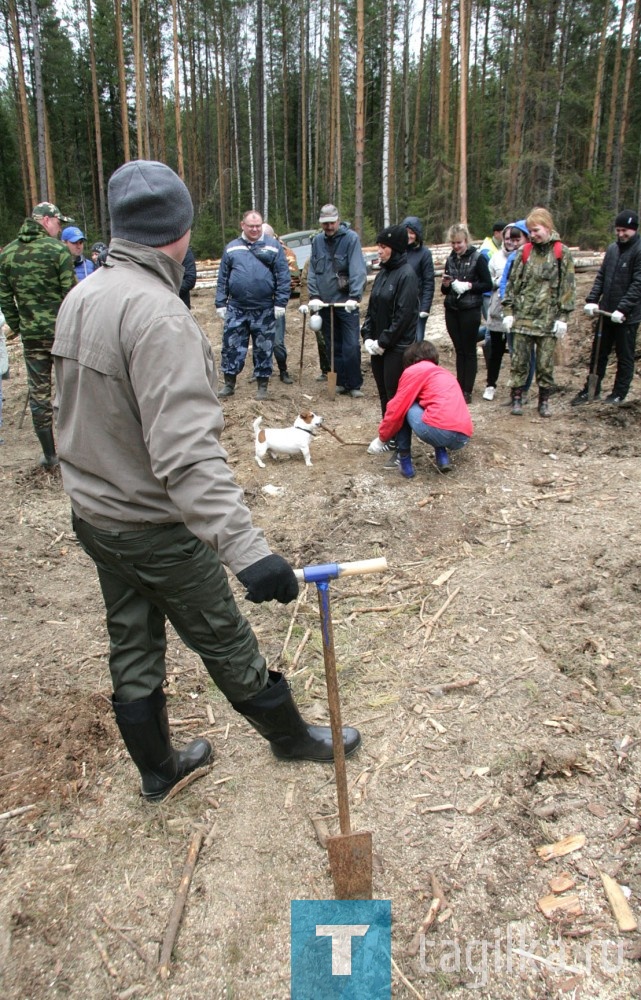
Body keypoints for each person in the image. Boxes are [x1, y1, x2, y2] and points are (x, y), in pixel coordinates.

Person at [52, 160, 360, 804]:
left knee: (131, 638)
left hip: (97, 518)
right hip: (150, 524)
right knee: (226, 638)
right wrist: (249, 554)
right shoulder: (159, 315)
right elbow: (188, 455)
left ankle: (160, 769)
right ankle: (290, 737)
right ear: (181, 229)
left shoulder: (82, 294)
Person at [0, 201, 76, 468]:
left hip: (32, 336)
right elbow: (72, 295)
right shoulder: (58, 251)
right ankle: (74, 448)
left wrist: (19, 326)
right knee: (71, 391)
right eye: (58, 223)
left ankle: (50, 454)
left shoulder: (8, 254)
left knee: (39, 394)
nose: (60, 228)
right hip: (63, 334)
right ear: (45, 221)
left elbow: (5, 297)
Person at [502, 207, 575, 417]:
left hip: (548, 320)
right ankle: (517, 398)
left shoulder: (562, 253)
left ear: (547, 227)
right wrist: (508, 311)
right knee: (519, 362)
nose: (533, 235)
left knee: (545, 364)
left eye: (536, 230)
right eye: (530, 231)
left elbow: (568, 287)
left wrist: (563, 317)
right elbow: (513, 284)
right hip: (523, 318)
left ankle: (544, 401)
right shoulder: (524, 252)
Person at [368, 340, 473, 477]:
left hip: (439, 431)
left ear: (409, 358)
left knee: (404, 406)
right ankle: (442, 458)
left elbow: (396, 408)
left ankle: (405, 463)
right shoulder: (444, 373)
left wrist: (382, 439)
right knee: (432, 408)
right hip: (463, 436)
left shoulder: (414, 371)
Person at [215, 210, 290, 400]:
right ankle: (229, 384)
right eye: (251, 226)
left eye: (258, 226)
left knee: (264, 347)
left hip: (264, 308)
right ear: (243, 225)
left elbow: (283, 276)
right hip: (237, 308)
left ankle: (262, 386)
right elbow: (223, 277)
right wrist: (221, 303)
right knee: (231, 347)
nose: (255, 229)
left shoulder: (273, 247)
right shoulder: (232, 248)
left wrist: (280, 302)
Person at [361, 224, 418, 469]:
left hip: (398, 349)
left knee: (398, 399)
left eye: (383, 247)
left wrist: (384, 341)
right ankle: (391, 437)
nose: (379, 251)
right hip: (379, 347)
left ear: (394, 248)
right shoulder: (383, 273)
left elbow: (404, 315)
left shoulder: (407, 275)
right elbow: (373, 308)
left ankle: (403, 448)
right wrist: (367, 337)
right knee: (385, 394)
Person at [572, 209, 641, 406]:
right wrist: (592, 299)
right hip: (606, 312)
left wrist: (624, 309)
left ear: (634, 230)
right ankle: (591, 389)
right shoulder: (612, 249)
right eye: (618, 230)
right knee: (598, 353)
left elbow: (638, 284)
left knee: (624, 355)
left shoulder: (638, 251)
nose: (620, 234)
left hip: (626, 316)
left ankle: (619, 393)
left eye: (624, 231)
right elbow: (602, 276)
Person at [306, 204, 367, 397]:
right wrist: (314, 296)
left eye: (332, 223)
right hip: (325, 303)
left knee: (351, 345)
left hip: (346, 303)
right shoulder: (317, 241)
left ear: (338, 220)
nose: (329, 227)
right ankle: (340, 381)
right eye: (325, 224)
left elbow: (357, 268)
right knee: (333, 344)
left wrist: (355, 296)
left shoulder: (351, 239)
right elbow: (313, 271)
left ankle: (354, 384)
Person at [441, 223, 492, 403]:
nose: (456, 246)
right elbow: (444, 290)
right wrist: (446, 285)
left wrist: (470, 286)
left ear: (466, 241)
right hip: (452, 308)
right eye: (453, 243)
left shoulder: (478, 258)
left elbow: (487, 284)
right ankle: (459, 384)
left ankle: (467, 389)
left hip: (470, 309)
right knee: (459, 349)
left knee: (469, 349)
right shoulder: (451, 259)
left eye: (459, 243)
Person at [499, 221, 536, 402]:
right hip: (511, 311)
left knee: (526, 354)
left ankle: (524, 390)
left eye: (517, 239)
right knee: (514, 353)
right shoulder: (513, 257)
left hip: (527, 313)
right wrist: (506, 306)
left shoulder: (531, 257)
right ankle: (516, 391)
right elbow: (505, 283)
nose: (513, 243)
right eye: (511, 239)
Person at [482, 224, 516, 400]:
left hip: (517, 312)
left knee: (517, 351)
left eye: (513, 238)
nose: (509, 241)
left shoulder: (524, 257)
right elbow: (487, 281)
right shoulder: (496, 258)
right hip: (497, 310)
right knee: (495, 350)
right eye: (507, 238)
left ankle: (518, 388)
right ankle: (490, 384)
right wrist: (496, 281)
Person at [262, 223, 295, 384]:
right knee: (259, 340)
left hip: (276, 303)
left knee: (277, 341)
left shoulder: (284, 252)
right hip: (257, 303)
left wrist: (280, 299)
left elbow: (291, 279)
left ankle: (283, 369)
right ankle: (260, 371)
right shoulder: (253, 249)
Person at [402, 216, 435, 341]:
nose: (409, 236)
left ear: (417, 234)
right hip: (400, 306)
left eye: (412, 233)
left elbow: (428, 282)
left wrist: (425, 307)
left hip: (418, 304)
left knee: (417, 341)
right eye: (406, 232)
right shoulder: (398, 252)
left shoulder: (424, 253)